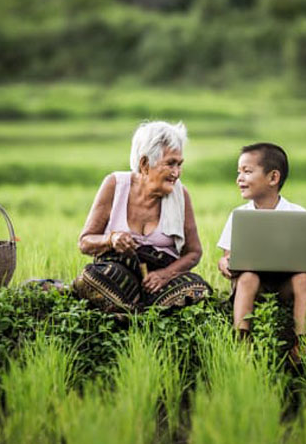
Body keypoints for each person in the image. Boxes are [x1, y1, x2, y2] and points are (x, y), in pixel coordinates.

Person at [73, 121, 211, 312]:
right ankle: (145, 313)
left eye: (179, 164)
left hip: (160, 281)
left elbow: (194, 253)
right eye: (170, 163)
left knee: (196, 288)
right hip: (120, 273)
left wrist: (164, 275)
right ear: (145, 163)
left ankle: (127, 312)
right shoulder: (115, 185)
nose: (177, 173)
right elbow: (85, 242)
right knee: (94, 277)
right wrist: (111, 239)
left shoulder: (181, 195)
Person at [217, 142, 306, 360]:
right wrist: (224, 264)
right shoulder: (239, 215)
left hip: (286, 286)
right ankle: (242, 340)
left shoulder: (297, 214)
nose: (239, 178)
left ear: (273, 178)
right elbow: (226, 256)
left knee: (302, 278)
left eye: (247, 171)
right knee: (247, 278)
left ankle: (302, 343)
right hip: (255, 287)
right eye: (238, 172)